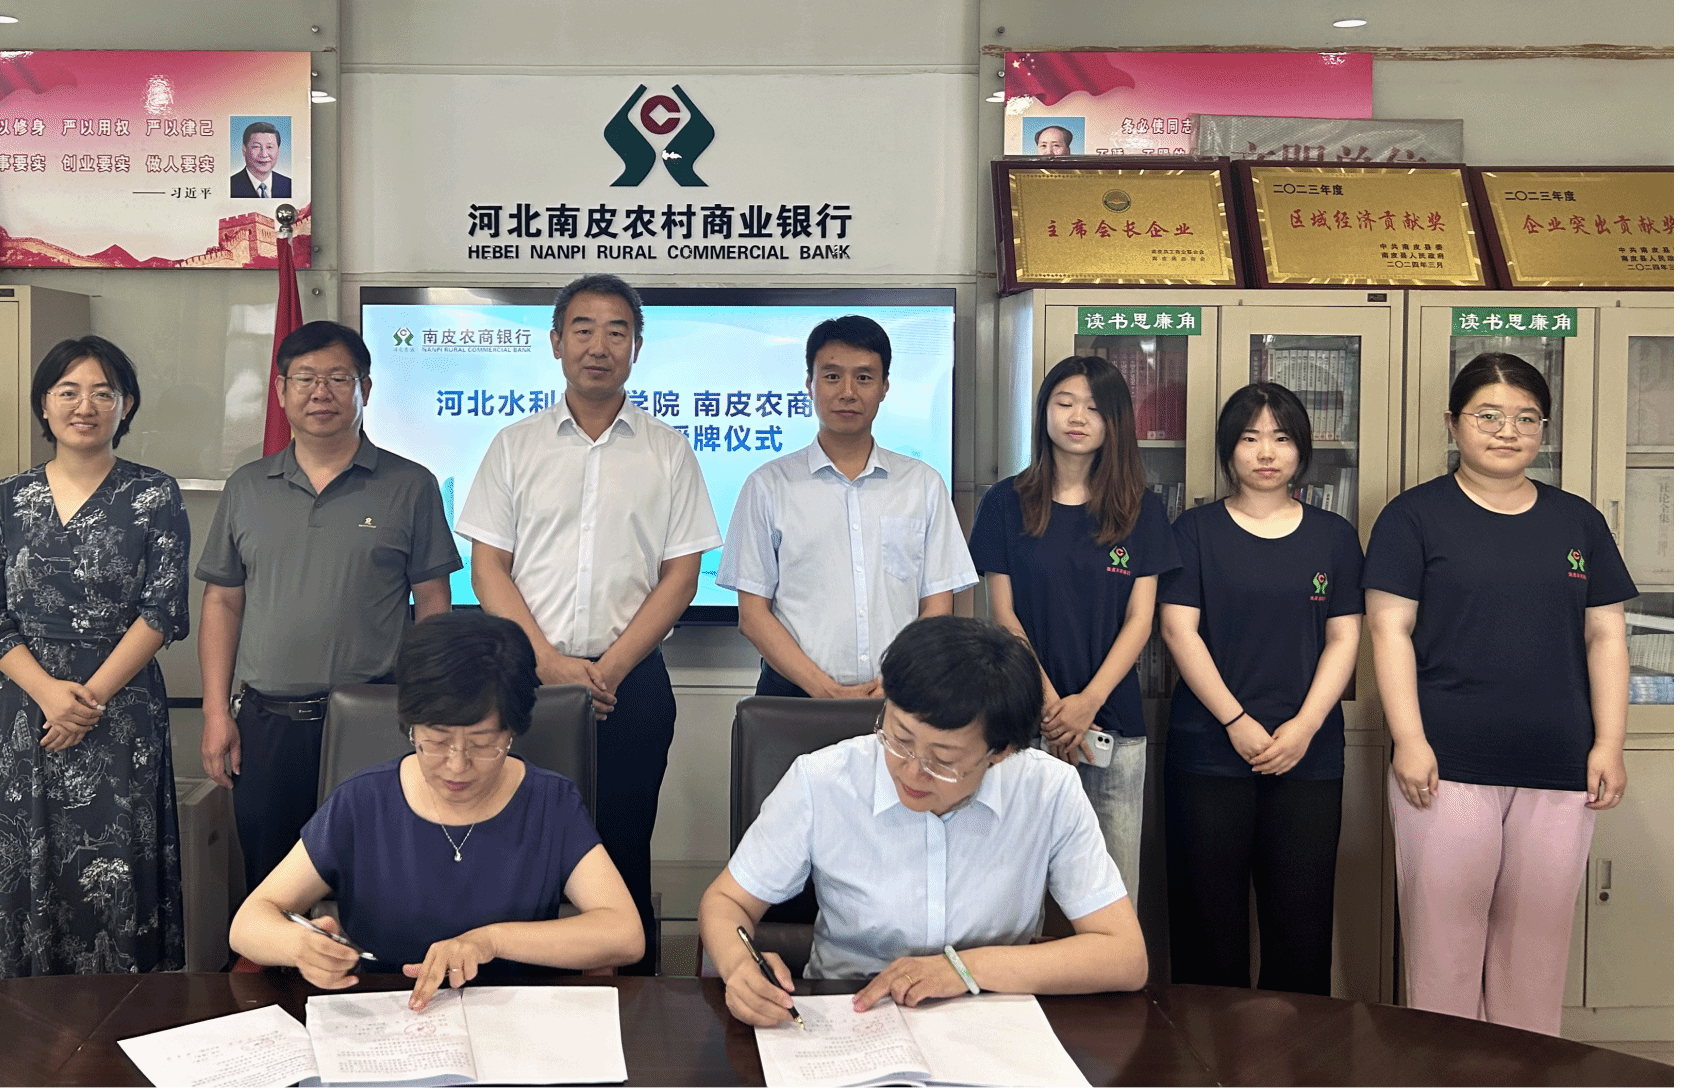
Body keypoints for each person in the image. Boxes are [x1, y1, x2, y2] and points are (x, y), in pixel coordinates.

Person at [457, 272, 722, 974]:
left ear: (637, 347)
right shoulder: (515, 445)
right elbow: (488, 569)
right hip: (524, 682)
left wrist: (607, 670)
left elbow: (682, 576)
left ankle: (629, 996)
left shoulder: (668, 450)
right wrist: (547, 662)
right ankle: (516, 977)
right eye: (583, 329)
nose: (598, 346)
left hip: (631, 685)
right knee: (517, 839)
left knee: (622, 843)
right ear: (555, 342)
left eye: (616, 331)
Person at [1364, 353, 1633, 1036]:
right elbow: (1389, 629)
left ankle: (1524, 1074)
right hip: (1445, 763)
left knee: (1535, 954)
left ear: (1543, 429)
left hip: (1560, 764)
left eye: (1526, 418)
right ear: (1453, 423)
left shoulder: (1578, 521)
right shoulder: (1413, 516)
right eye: (1488, 415)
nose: (1507, 431)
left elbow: (1606, 635)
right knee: (1443, 952)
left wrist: (1609, 742)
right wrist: (1410, 739)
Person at [700, 616, 1145, 1027]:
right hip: (848, 1016)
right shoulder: (823, 781)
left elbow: (1124, 956)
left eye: (943, 759)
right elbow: (726, 901)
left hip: (991, 1024)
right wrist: (739, 966)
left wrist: (965, 968)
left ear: (1001, 752)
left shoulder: (1048, 791)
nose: (912, 771)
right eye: (900, 738)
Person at [229, 611, 644, 1008]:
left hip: (514, 1023)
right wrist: (300, 946)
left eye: (482, 744)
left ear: (512, 732)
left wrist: (491, 941)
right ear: (410, 726)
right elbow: (249, 922)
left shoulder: (550, 803)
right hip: (389, 1021)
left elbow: (625, 934)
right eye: (437, 740)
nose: (457, 765)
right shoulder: (362, 802)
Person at [198, 320, 461, 890]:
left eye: (339, 378)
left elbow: (433, 603)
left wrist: (428, 706)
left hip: (375, 718)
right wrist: (217, 713)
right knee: (273, 883)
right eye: (306, 378)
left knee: (378, 878)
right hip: (267, 725)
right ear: (280, 390)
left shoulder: (410, 485)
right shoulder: (247, 487)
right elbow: (222, 602)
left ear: (365, 388)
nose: (322, 392)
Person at [0, 335, 191, 978]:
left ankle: (121, 1026)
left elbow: (163, 610)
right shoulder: (5, 499)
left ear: (126, 405)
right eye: (68, 392)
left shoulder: (154, 494)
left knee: (115, 875)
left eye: (102, 393)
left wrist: (86, 701)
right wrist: (48, 693)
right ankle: (17, 1029)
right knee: (19, 871)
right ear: (44, 404)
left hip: (120, 713)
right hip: (24, 714)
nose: (84, 406)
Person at [1158, 383, 1364, 996]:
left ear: (1301, 449)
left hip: (1307, 755)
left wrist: (1303, 727)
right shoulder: (1194, 530)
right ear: (1229, 449)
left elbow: (1345, 639)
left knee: (1300, 926)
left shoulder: (1333, 536)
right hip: (1209, 750)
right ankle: (1203, 1048)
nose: (1266, 453)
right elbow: (1178, 630)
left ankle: (1293, 1051)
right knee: (1205, 926)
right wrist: (1235, 721)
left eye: (1281, 438)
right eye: (1250, 438)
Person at [968, 356, 1178, 900]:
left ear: (1115, 422)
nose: (1077, 417)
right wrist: (1052, 704)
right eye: (1064, 403)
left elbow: (1141, 620)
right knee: (1016, 897)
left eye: (1093, 407)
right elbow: (1003, 614)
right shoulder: (1004, 502)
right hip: (1023, 725)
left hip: (1113, 726)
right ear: (1044, 413)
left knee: (1112, 893)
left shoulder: (1141, 509)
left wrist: (1087, 702)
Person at [718, 315, 976, 698]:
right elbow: (753, 615)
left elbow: (938, 604)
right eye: (832, 376)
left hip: (900, 696)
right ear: (810, 383)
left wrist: (899, 679)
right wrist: (824, 689)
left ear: (885, 386)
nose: (848, 392)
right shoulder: (767, 485)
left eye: (864, 377)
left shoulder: (923, 484)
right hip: (794, 698)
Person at [229, 120, 292, 198]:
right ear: (244, 149)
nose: (264, 154)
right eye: (256, 147)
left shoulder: (289, 185)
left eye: (269, 147)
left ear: (278, 151)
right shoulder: (229, 186)